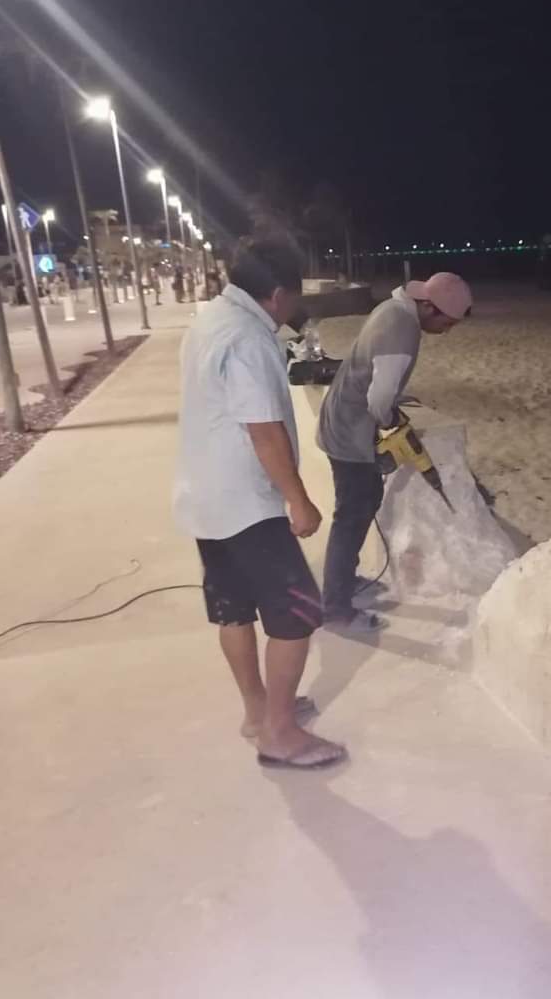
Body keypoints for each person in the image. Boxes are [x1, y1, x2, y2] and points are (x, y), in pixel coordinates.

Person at [174, 238, 345, 769]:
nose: (294, 309)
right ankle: (280, 733)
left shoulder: (210, 319)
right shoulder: (248, 338)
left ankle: (257, 709)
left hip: (206, 496)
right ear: (275, 294)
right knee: (298, 614)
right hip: (247, 501)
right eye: (293, 299)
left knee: (234, 608)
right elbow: (264, 432)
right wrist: (300, 500)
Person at [317, 272, 472, 628]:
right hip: (349, 432)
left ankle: (341, 581)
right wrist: (391, 421)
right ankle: (336, 607)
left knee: (361, 504)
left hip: (342, 421)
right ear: (429, 307)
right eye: (446, 323)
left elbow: (377, 373)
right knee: (352, 515)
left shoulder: (392, 309)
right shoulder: (402, 330)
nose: (446, 331)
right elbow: (379, 398)